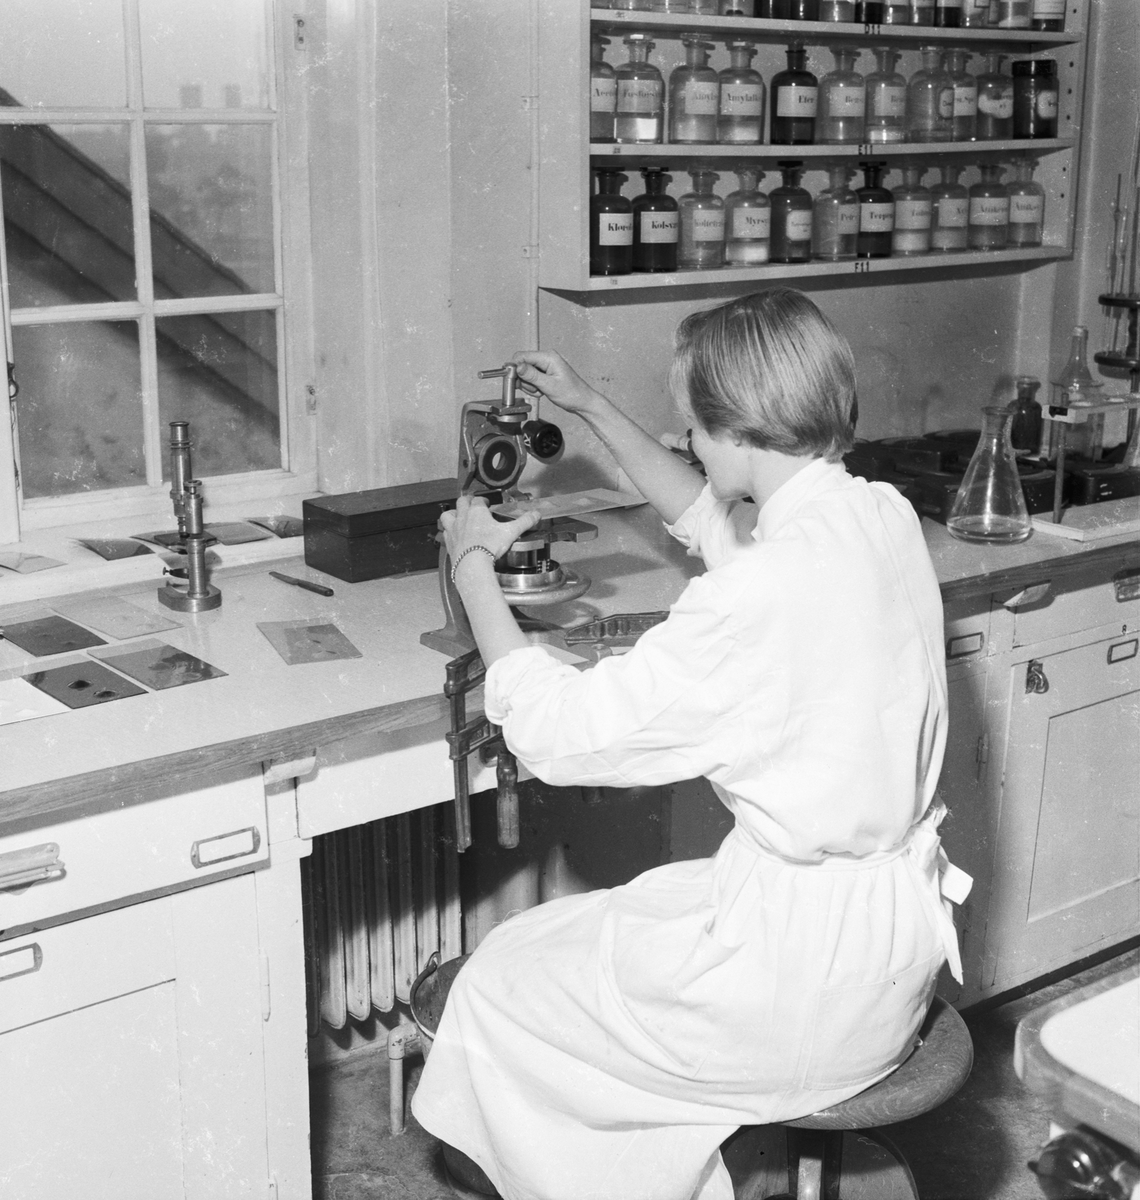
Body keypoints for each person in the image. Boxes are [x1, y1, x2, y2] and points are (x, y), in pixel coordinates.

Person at [411, 287, 970, 1200]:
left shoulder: (750, 599)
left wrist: (474, 568)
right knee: (578, 930)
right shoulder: (877, 514)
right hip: (880, 955)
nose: (685, 443)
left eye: (695, 430)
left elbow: (557, 733)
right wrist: (589, 404)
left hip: (797, 994)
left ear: (739, 427)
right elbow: (715, 520)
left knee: (498, 982)